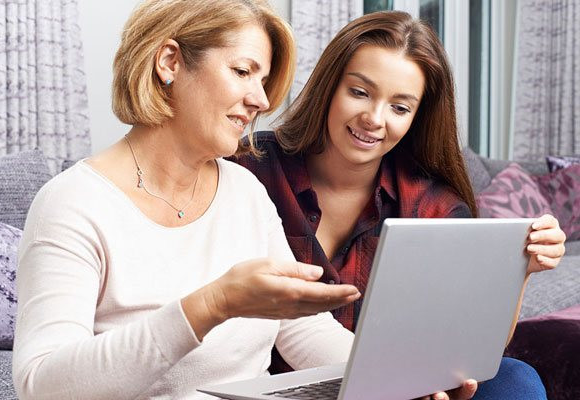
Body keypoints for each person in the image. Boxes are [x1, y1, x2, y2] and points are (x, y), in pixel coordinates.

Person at [12, 1, 365, 399]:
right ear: (170, 62)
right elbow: (42, 387)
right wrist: (212, 304)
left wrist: (400, 375)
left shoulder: (244, 191)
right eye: (243, 71)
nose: (262, 101)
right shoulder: (73, 203)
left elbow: (301, 329)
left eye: (262, 81)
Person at [232, 10, 567, 400]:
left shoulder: (433, 205)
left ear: (416, 118)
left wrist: (519, 268)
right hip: (275, 384)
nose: (374, 119)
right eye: (359, 92)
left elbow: (470, 346)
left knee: (514, 379)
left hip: (399, 386)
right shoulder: (249, 169)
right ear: (328, 87)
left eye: (400, 107)